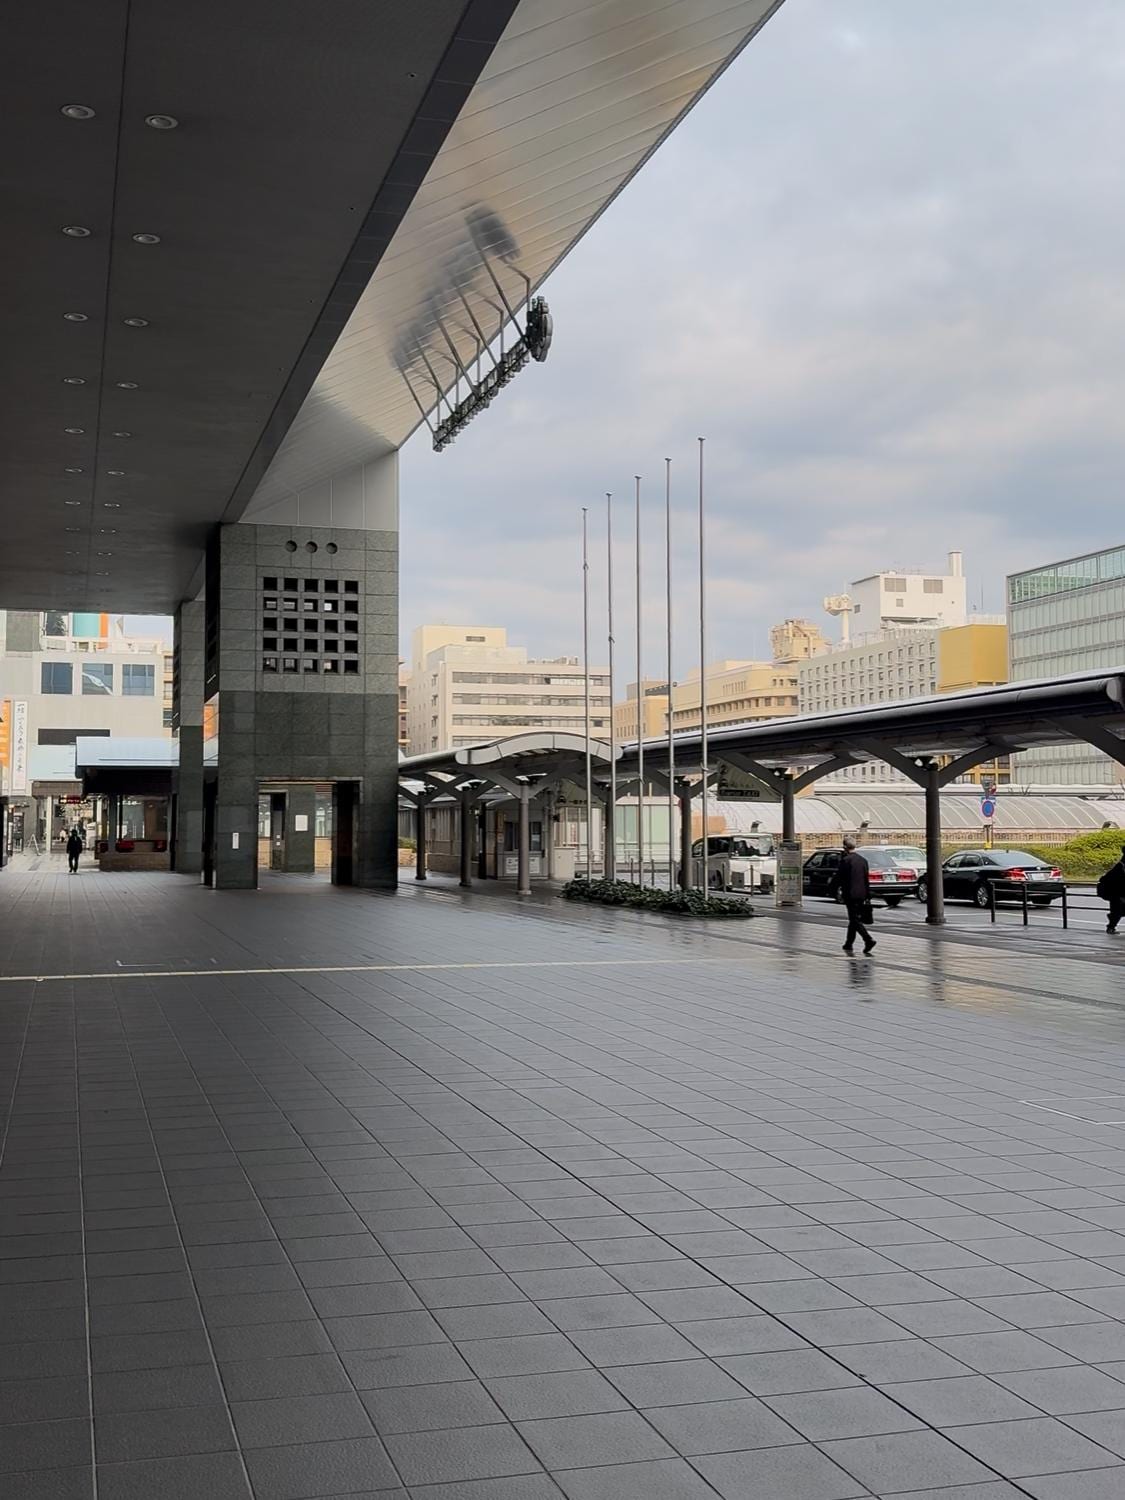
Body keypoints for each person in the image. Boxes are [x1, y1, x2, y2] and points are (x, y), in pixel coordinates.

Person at [834, 836, 876, 955]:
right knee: (853, 919)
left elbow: (840, 877)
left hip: (850, 894)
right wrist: (868, 894)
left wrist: (833, 889)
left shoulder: (846, 861)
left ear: (845, 847)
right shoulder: (863, 860)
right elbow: (865, 879)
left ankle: (868, 939)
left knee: (854, 919)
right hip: (862, 893)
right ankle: (849, 943)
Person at [1097, 849, 1125, 934]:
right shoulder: (1121, 867)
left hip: (1118, 894)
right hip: (1118, 894)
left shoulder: (1120, 866)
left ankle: (1111, 925)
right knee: (1117, 911)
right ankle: (1111, 926)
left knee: (1117, 911)